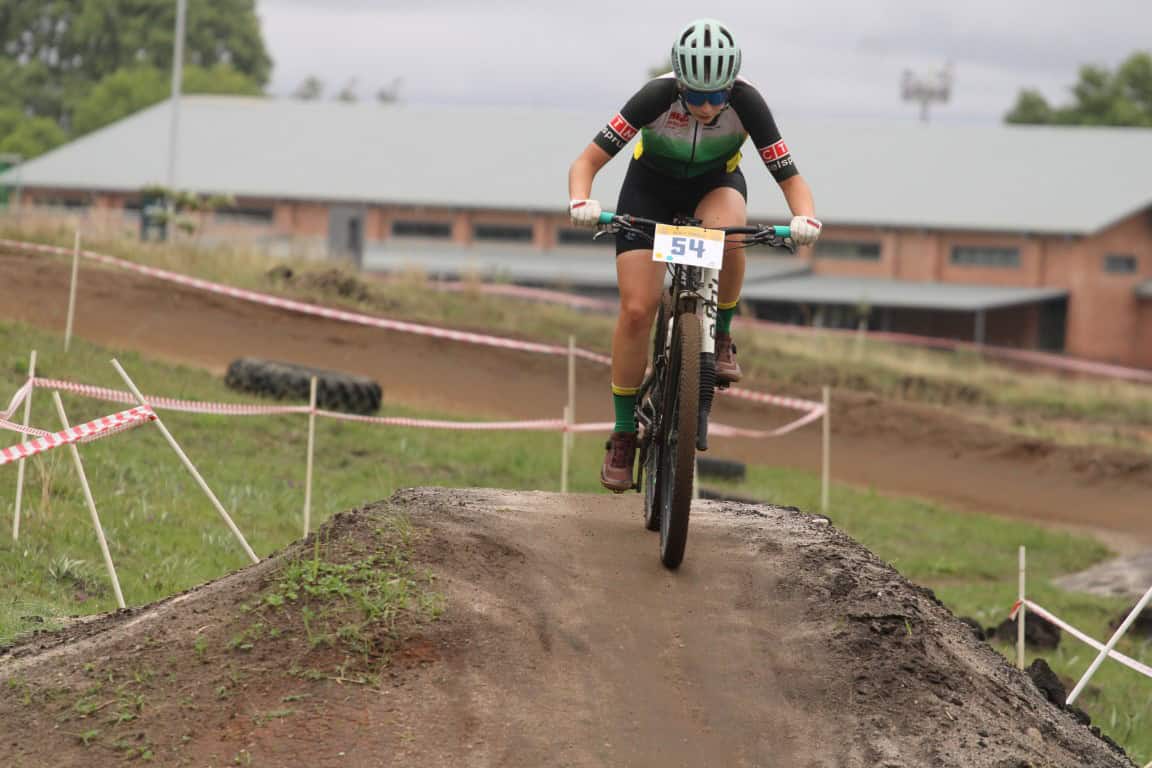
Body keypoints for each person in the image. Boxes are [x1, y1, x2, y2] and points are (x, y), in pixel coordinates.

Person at [567, 17, 823, 493]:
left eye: (718, 95)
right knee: (637, 310)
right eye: (697, 96)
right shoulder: (654, 96)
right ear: (680, 84)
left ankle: (720, 335)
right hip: (649, 190)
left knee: (731, 232)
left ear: (732, 86)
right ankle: (623, 433)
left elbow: (791, 178)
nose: (708, 107)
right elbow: (587, 162)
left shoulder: (748, 102)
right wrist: (581, 200)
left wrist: (805, 217)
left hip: (714, 185)